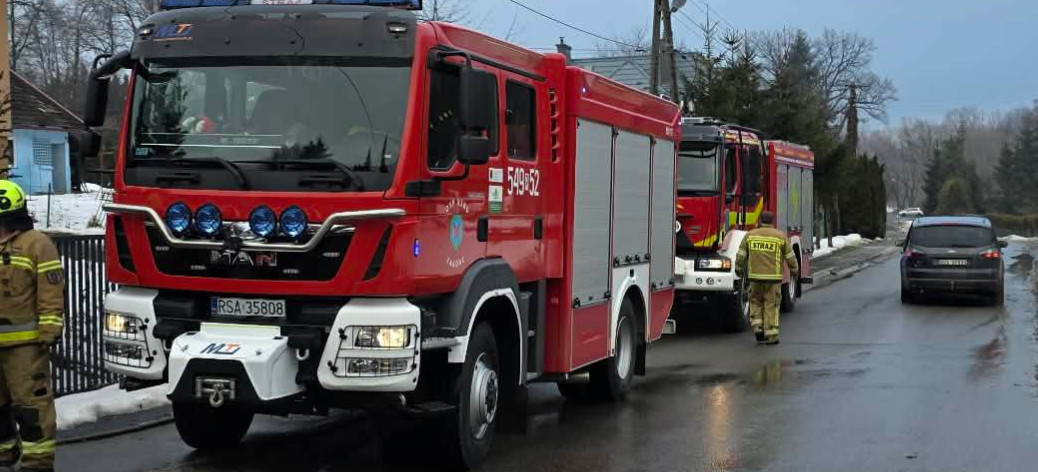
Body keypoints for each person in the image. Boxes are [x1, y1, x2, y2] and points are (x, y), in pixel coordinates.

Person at [0, 180, 63, 472]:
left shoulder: (37, 244)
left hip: (25, 346)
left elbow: (51, 291)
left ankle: (37, 462)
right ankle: (4, 452)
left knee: (31, 406)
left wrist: (50, 329)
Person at [736, 211, 798, 345]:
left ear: (760, 221)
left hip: (754, 278)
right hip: (773, 279)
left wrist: (739, 270)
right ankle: (771, 335)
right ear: (772, 222)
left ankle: (758, 328)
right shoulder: (780, 236)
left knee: (755, 302)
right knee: (772, 304)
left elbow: (741, 255)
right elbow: (790, 257)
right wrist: (795, 270)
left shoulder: (750, 235)